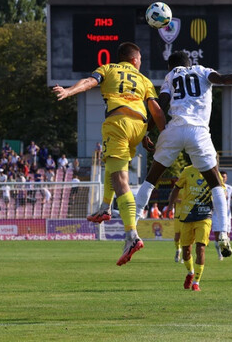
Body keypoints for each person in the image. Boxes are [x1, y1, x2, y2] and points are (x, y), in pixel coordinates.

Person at [134, 50, 232, 257]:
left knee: (150, 179)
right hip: (198, 132)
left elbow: (161, 106)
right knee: (216, 184)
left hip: (174, 129)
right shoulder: (202, 70)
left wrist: (146, 132)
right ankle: (223, 235)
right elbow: (223, 79)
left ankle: (131, 231)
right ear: (189, 62)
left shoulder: (171, 75)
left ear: (170, 66)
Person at [53, 42, 166, 266]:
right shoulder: (144, 80)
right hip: (139, 126)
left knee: (120, 178)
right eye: (140, 59)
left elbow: (88, 82)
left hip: (118, 122)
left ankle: (131, 236)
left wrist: (68, 91)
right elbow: (156, 110)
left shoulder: (108, 68)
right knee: (112, 165)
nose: (140, 62)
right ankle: (105, 208)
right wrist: (163, 136)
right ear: (134, 60)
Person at [168, 164, 216, 291]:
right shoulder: (187, 171)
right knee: (186, 252)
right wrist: (170, 206)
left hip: (204, 216)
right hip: (187, 215)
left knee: (200, 248)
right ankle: (190, 273)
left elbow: (221, 192)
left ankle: (196, 282)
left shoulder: (212, 171)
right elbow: (176, 188)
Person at [212, 170, 232, 261]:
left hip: (227, 215)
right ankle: (220, 254)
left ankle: (226, 250)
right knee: (217, 236)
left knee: (226, 235)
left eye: (224, 177)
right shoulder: (214, 188)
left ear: (226, 178)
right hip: (216, 215)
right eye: (221, 176)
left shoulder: (230, 188)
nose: (223, 178)